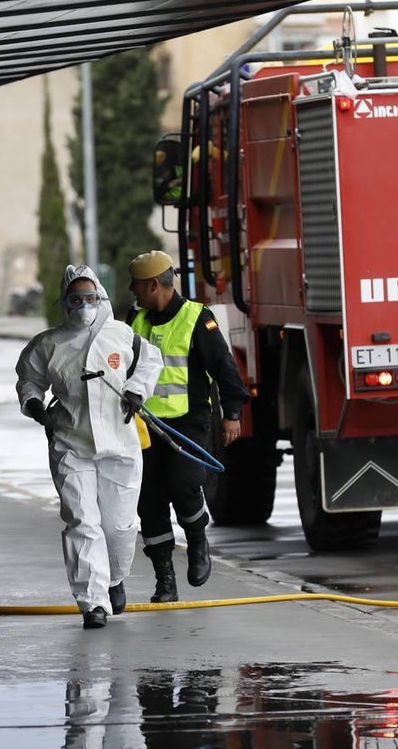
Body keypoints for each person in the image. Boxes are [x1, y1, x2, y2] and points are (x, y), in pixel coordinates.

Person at [15, 265, 162, 629]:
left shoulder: (121, 336)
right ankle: (92, 602)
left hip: (120, 445)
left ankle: (114, 578)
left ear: (102, 299)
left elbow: (150, 362)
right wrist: (35, 406)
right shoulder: (49, 344)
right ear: (65, 301)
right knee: (82, 522)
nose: (84, 305)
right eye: (76, 299)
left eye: (90, 298)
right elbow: (28, 381)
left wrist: (136, 391)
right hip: (71, 444)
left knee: (119, 526)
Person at [127, 250, 249, 603]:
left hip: (188, 423)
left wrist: (233, 414)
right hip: (143, 426)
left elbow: (226, 369)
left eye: (136, 285)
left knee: (183, 485)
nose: (132, 291)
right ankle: (165, 578)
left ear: (153, 284)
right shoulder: (134, 318)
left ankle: (197, 539)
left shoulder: (197, 318)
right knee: (148, 502)